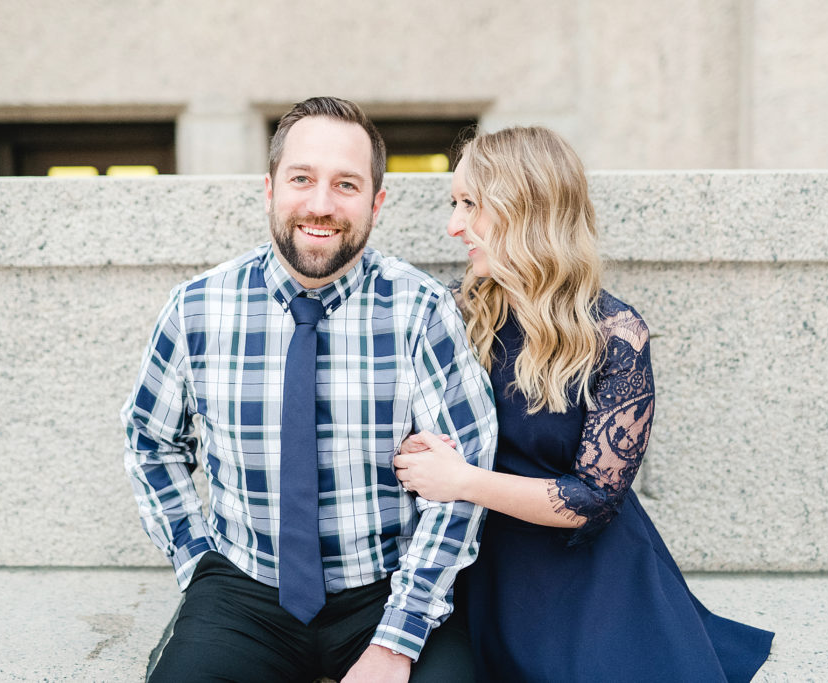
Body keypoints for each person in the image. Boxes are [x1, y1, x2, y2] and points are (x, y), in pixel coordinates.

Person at [121, 96, 497, 682]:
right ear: (270, 189)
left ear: (376, 203)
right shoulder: (197, 308)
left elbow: (463, 482)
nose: (321, 204)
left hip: (388, 588)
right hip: (243, 589)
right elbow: (150, 441)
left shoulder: (421, 311)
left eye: (346, 185)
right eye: (302, 179)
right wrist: (196, 562)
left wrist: (396, 641)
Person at [393, 126, 774, 682]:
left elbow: (592, 499)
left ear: (527, 208)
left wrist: (462, 481)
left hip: (584, 573)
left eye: (471, 204)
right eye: (455, 204)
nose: (454, 226)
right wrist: (415, 450)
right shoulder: (453, 313)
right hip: (474, 560)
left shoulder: (616, 335)